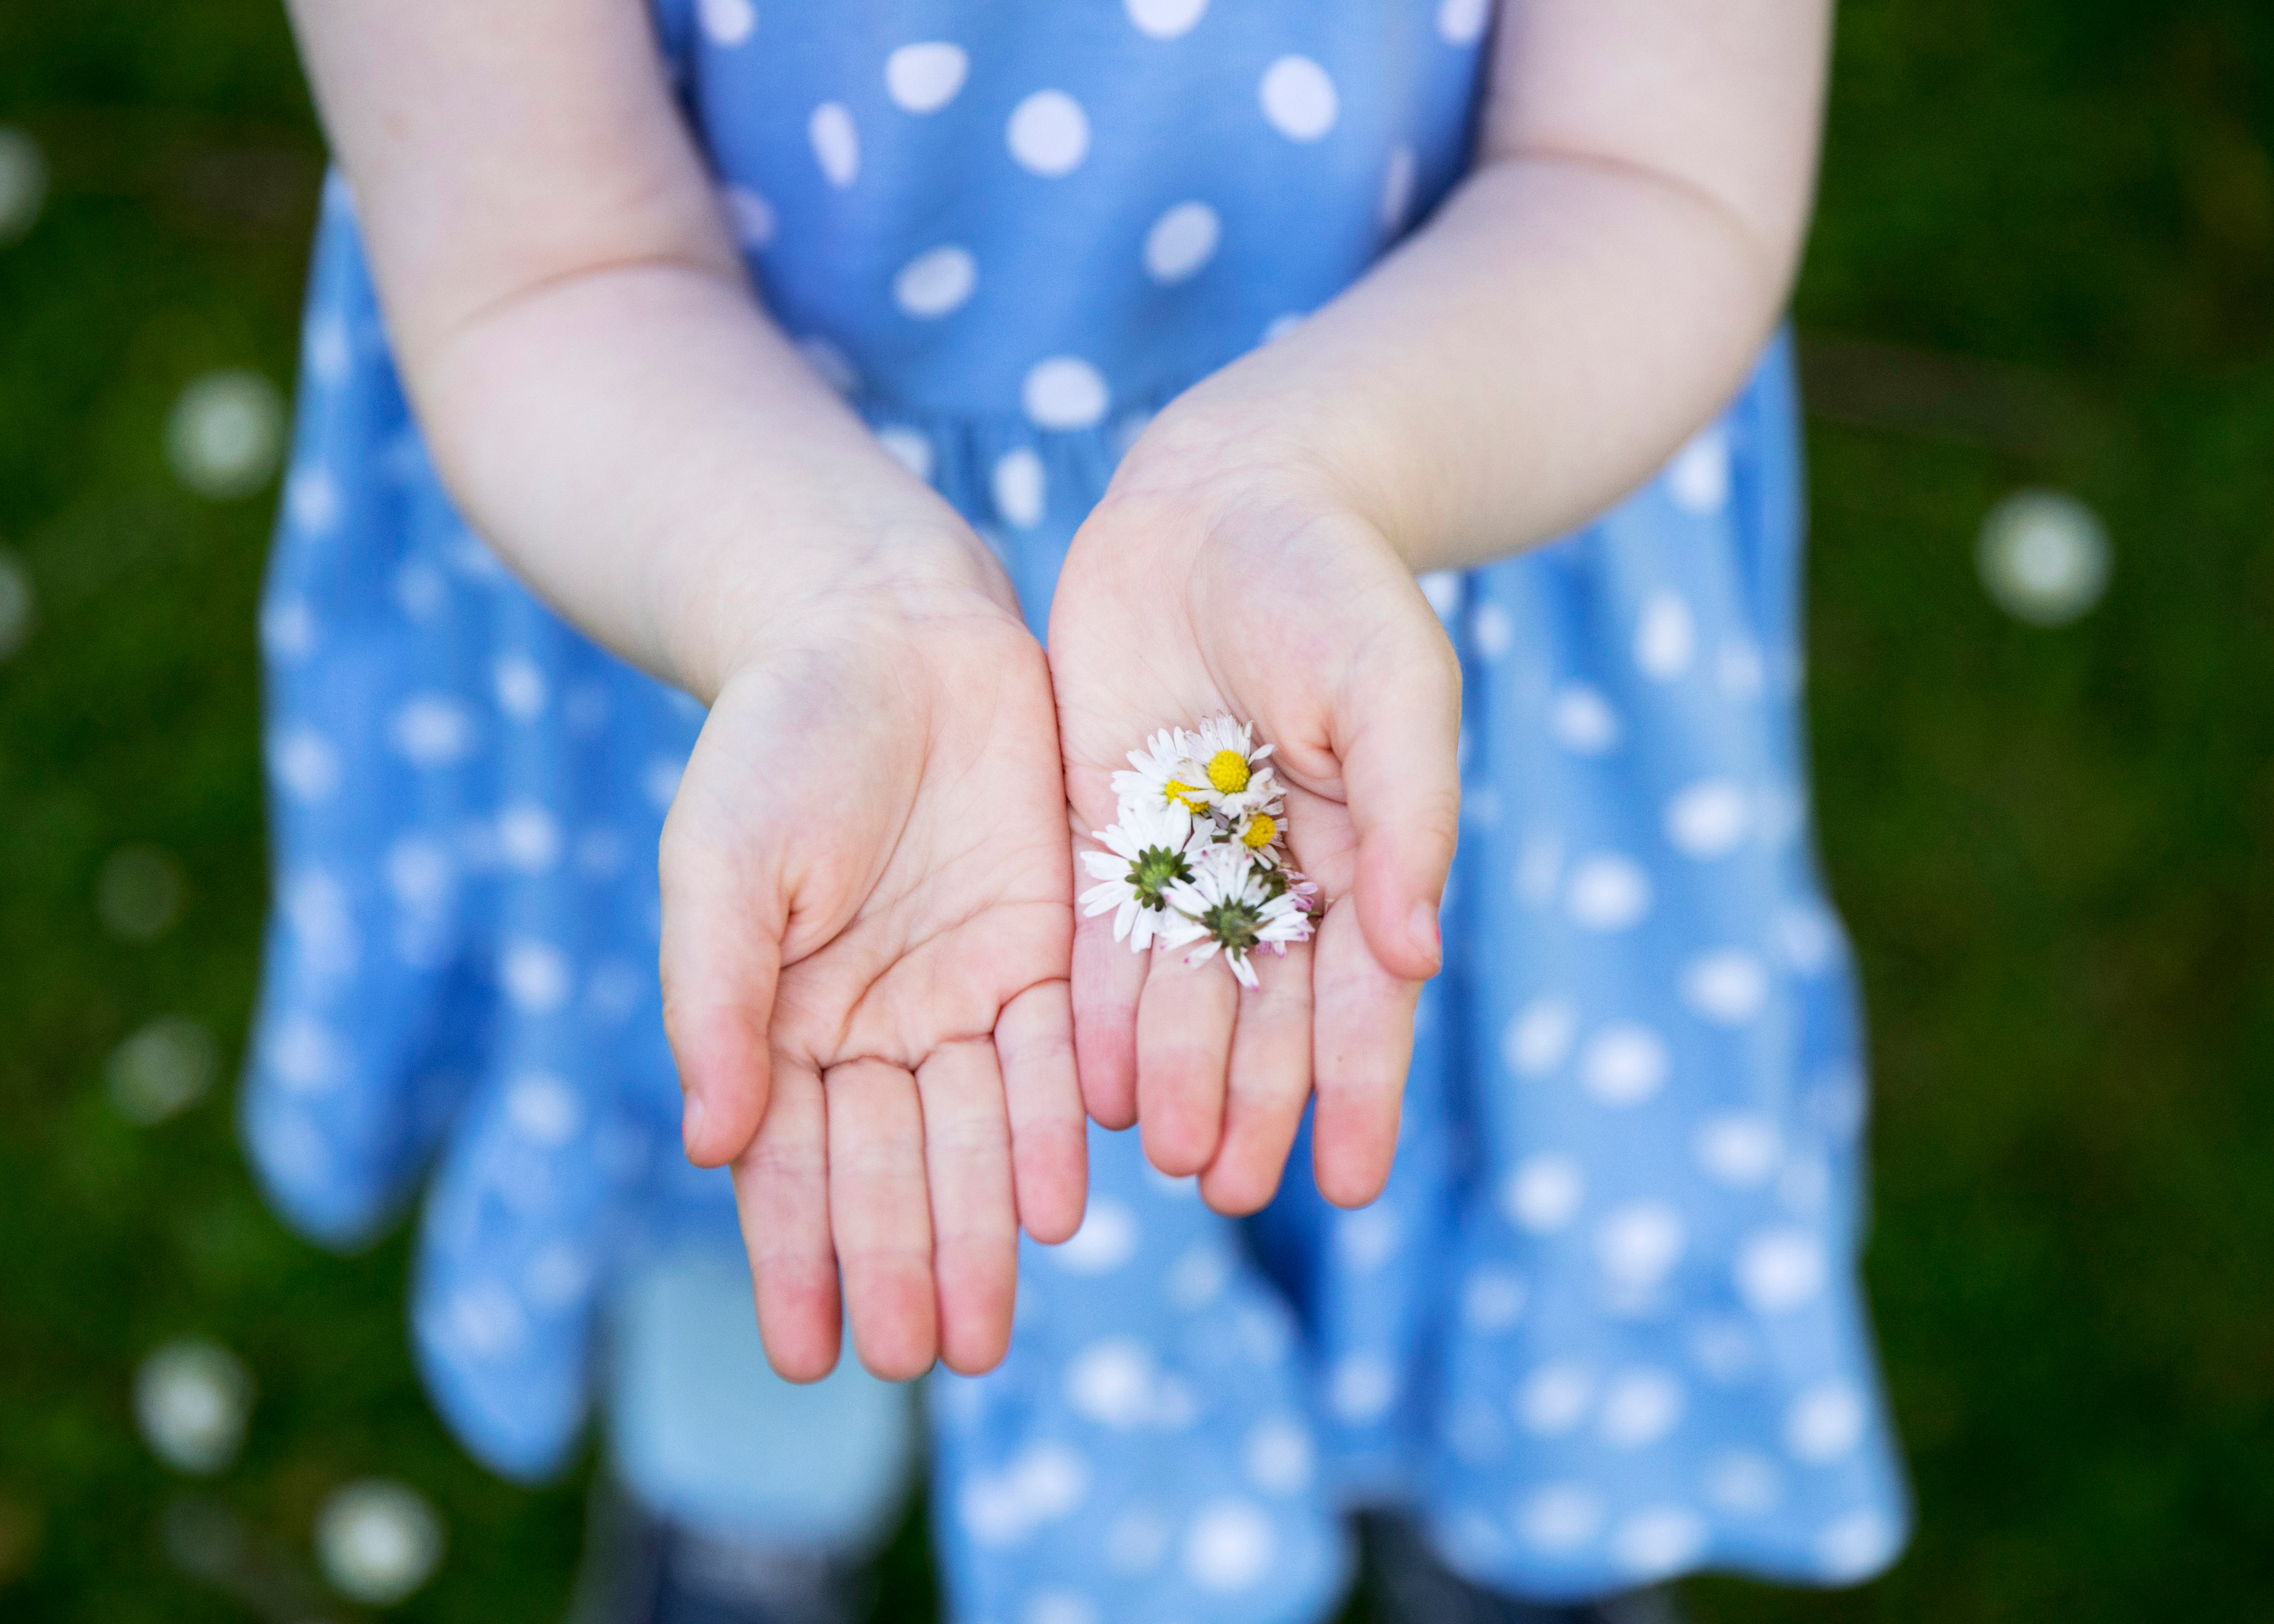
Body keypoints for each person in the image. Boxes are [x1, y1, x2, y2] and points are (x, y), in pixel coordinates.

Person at [242, 1, 1909, 1620]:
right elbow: (548, 262)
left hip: (1428, 471)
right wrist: (818, 597)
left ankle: (1486, 1493)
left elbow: (1648, 168)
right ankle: (750, 1490)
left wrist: (1317, 473)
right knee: (797, 1074)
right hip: (709, 522)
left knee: (1382, 1060)